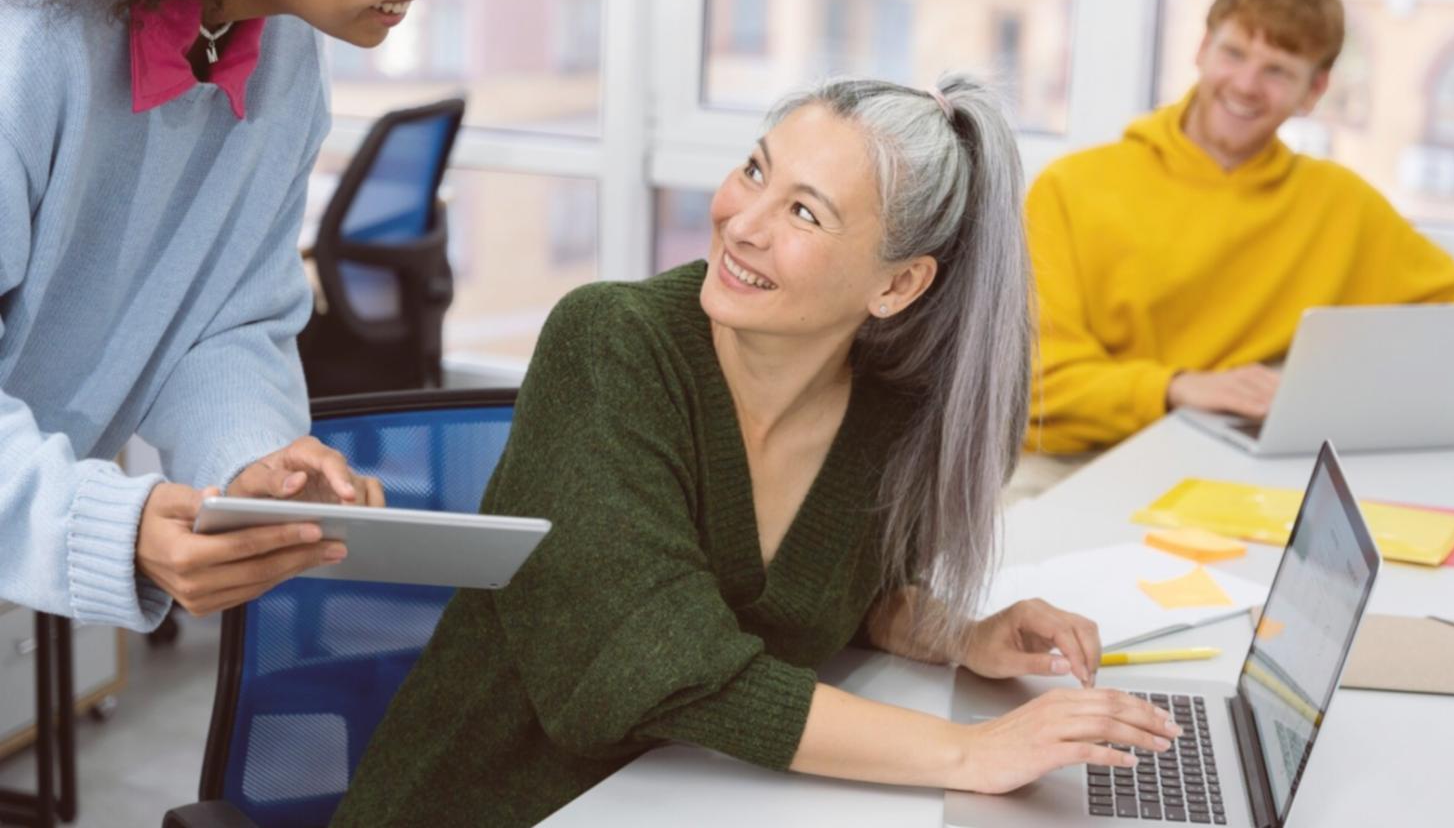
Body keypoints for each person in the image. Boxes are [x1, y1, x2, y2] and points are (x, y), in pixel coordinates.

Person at [334, 76, 1183, 827]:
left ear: (896, 286)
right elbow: (660, 666)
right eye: (754, 169)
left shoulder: (886, 414)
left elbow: (833, 599)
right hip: (501, 802)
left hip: (703, 796)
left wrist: (958, 634)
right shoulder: (610, 344)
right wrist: (970, 751)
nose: (741, 222)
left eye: (803, 211)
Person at [0, 0, 472, 631]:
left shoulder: (284, 56)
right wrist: (101, 527)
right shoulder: (25, 39)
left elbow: (226, 317)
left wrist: (256, 465)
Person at [1027, 0, 1454, 454]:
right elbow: (1030, 380)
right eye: (1233, 53)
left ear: (1313, 92)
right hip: (1076, 459)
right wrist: (1175, 386)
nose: (1246, 85)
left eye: (1277, 70)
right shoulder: (1070, 189)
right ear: (1201, 50)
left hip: (1234, 465)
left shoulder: (1338, 205)